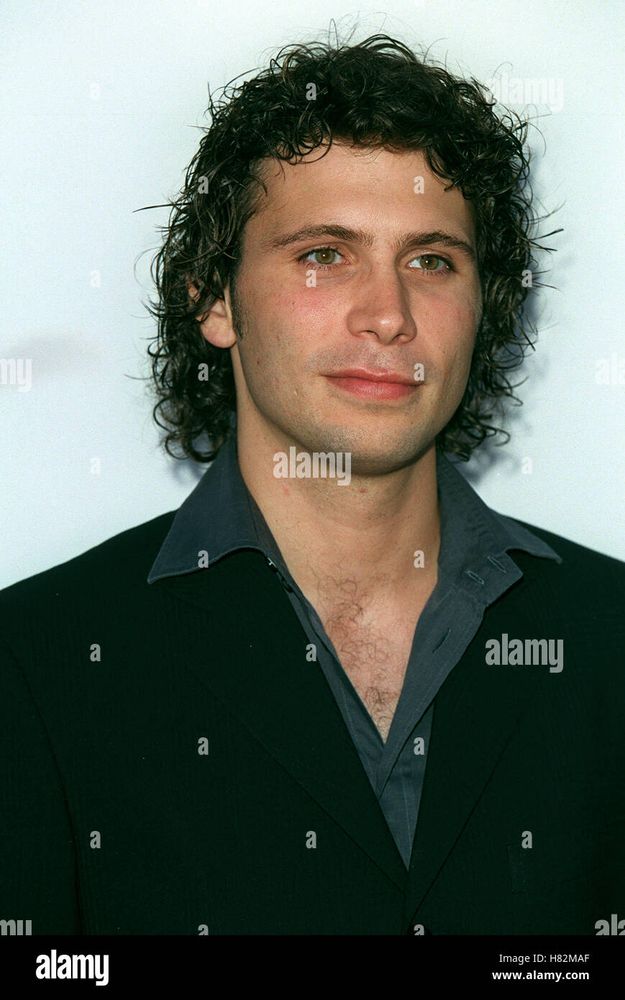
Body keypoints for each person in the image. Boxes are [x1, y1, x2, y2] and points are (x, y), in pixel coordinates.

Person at [1, 33, 624, 937]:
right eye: (325, 254)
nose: (387, 315)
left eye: (432, 260)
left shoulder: (609, 639)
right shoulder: (36, 665)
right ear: (214, 300)